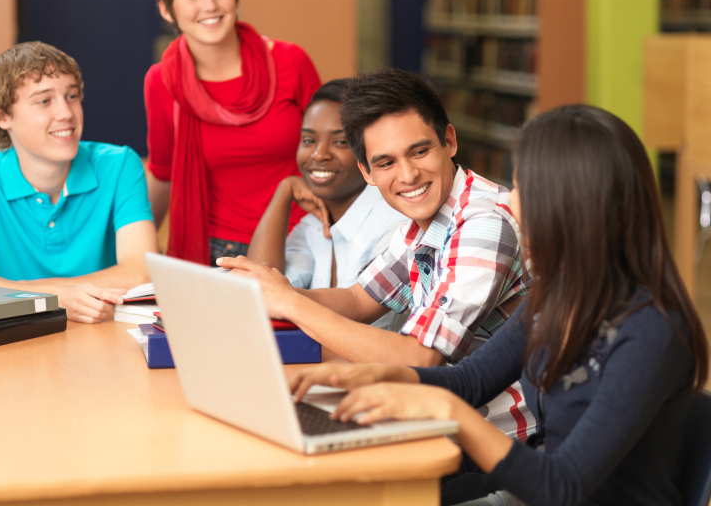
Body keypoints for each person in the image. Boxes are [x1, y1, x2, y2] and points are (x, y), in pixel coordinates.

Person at [288, 104, 709, 506]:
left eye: (523, 186)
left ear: (572, 203)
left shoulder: (652, 332)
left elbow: (561, 487)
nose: (509, 200)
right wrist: (365, 377)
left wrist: (446, 409)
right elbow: (471, 381)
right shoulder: (558, 295)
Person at [220, 68, 535, 443]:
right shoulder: (422, 223)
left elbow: (419, 358)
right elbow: (356, 299)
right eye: (386, 163)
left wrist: (290, 303)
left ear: (449, 140)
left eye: (419, 151)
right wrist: (269, 291)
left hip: (492, 444)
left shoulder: (482, 223)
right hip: (436, 420)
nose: (408, 175)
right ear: (367, 171)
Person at [0, 42, 159, 324]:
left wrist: (36, 296)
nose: (66, 113)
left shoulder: (120, 165)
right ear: (2, 116)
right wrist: (56, 298)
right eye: (44, 101)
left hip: (102, 332)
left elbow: (141, 272)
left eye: (72, 96)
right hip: (16, 336)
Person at [145, 0, 321, 265]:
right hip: (220, 254)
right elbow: (163, 174)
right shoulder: (161, 82)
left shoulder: (290, 62)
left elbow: (339, 149)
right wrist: (131, 252)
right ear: (167, 9)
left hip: (304, 242)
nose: (210, 5)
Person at [246, 78, 407, 331]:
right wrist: (283, 193)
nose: (319, 154)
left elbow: (366, 336)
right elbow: (258, 290)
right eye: (309, 141)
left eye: (340, 142)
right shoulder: (313, 225)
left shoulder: (395, 227)